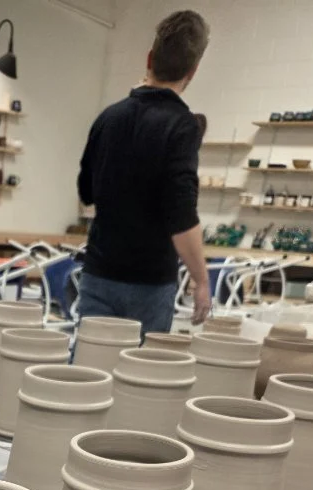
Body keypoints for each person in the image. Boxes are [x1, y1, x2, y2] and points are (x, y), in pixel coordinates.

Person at [76, 10, 211, 334]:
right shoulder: (181, 126)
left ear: (149, 58)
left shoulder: (109, 117)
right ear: (192, 71)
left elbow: (86, 192)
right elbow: (181, 215)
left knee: (88, 374)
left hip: (100, 271)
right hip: (148, 283)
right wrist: (201, 279)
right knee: (139, 380)